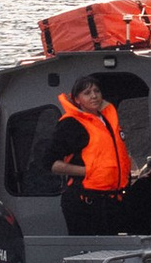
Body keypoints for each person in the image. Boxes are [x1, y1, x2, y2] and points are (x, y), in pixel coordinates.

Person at [46, 74, 138, 233]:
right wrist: (87, 171)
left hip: (113, 200)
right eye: (87, 93)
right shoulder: (71, 124)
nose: (94, 96)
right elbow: (50, 163)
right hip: (86, 202)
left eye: (96, 91)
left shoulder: (108, 120)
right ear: (77, 99)